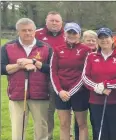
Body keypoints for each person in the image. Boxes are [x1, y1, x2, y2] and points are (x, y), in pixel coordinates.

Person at [1, 18, 52, 140]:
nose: (27, 33)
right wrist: (19, 65)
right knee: (18, 130)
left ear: (35, 31)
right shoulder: (7, 47)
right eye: (24, 30)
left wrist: (35, 63)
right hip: (17, 94)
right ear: (18, 31)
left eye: (30, 30)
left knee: (41, 130)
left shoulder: (45, 47)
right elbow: (2, 68)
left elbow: (50, 69)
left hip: (40, 94)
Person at [82, 27, 116, 140]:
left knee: (115, 131)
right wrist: (98, 88)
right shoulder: (91, 56)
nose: (104, 40)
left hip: (115, 101)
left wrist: (106, 84)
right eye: (100, 38)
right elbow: (85, 77)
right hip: (95, 101)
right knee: (99, 131)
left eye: (106, 37)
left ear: (112, 39)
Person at [50, 22, 90, 140]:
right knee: (63, 124)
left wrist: (71, 91)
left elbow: (85, 73)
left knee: (82, 124)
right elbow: (53, 71)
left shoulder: (86, 50)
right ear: (64, 34)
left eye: (74, 33)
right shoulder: (57, 50)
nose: (72, 35)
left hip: (80, 93)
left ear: (79, 35)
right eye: (69, 32)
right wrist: (59, 91)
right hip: (61, 93)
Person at [35, 11, 65, 140]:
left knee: (65, 110)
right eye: (51, 20)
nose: (54, 23)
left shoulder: (68, 34)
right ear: (46, 21)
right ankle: (48, 136)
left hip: (63, 78)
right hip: (43, 77)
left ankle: (67, 135)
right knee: (47, 111)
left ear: (61, 23)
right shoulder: (37, 34)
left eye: (57, 21)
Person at [73, 29, 98, 140]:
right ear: (83, 41)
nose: (91, 42)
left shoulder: (100, 54)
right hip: (80, 91)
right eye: (88, 40)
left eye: (93, 40)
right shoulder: (78, 54)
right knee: (79, 121)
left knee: (95, 119)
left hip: (95, 92)